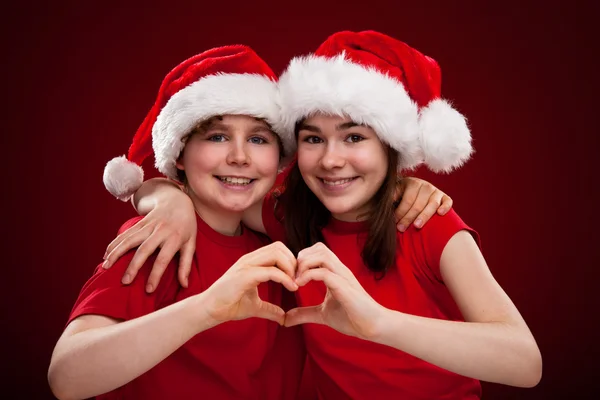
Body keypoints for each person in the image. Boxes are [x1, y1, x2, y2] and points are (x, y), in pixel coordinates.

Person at [110, 31, 543, 399]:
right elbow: (219, 190)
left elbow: (524, 361)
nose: (331, 160)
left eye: (354, 137)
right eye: (313, 139)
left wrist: (378, 323)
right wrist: (167, 199)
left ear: (390, 148)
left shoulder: (427, 223)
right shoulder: (292, 217)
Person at [48, 45, 305, 400]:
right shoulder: (161, 239)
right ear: (180, 154)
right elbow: (67, 376)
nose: (240, 157)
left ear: (279, 156)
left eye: (258, 139)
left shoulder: (280, 235)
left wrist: (410, 188)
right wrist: (205, 308)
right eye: (217, 136)